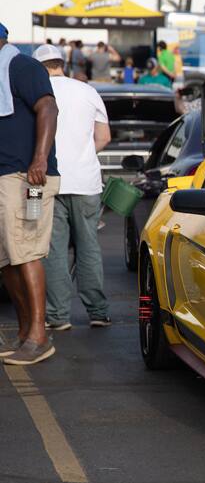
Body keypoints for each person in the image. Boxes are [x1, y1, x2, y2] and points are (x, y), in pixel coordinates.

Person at [33, 44, 112, 331]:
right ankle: (98, 311)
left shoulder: (35, 93)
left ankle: (57, 316)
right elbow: (104, 136)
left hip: (47, 180)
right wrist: (83, 154)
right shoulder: (87, 91)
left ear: (38, 67)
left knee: (53, 249)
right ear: (61, 62)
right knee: (88, 244)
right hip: (86, 181)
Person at [0, 24, 61, 365]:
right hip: (4, 177)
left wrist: (39, 158)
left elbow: (48, 109)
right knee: (7, 258)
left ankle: (39, 336)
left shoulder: (21, 66)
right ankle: (26, 333)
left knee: (26, 251)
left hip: (27, 177)